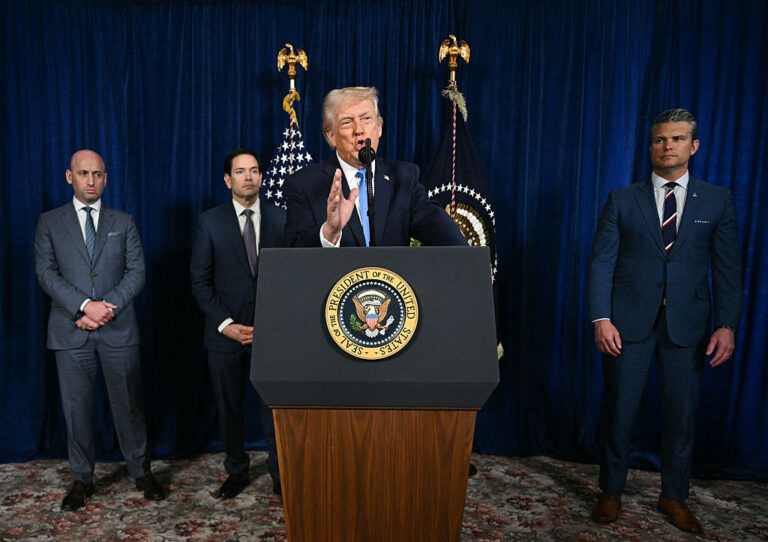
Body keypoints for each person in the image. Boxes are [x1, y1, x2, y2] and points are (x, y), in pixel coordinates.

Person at [588, 109, 742, 534]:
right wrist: (601, 317)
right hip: (626, 324)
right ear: (650, 146)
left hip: (688, 327)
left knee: (681, 414)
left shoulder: (717, 200)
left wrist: (727, 324)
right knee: (619, 410)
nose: (666, 146)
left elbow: (728, 269)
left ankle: (673, 496)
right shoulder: (623, 199)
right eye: (659, 140)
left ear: (693, 146)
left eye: (676, 139)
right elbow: (602, 263)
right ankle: (610, 492)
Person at [34, 149, 165, 511]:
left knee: (130, 406)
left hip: (117, 329)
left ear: (106, 178)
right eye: (84, 173)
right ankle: (82, 479)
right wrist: (82, 306)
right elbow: (46, 273)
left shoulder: (123, 221)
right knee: (76, 410)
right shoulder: (49, 222)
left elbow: (136, 272)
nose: (91, 181)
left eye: (98, 174)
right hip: (69, 330)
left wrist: (104, 309)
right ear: (69, 177)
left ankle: (141, 472)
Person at [190, 148, 285, 499]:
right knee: (228, 408)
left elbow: (292, 278)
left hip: (270, 335)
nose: (249, 177)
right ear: (228, 180)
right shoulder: (210, 222)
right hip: (225, 335)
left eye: (255, 170)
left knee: (273, 410)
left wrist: (272, 324)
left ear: (262, 177)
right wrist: (226, 324)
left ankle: (280, 474)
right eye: (241, 171)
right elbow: (200, 281)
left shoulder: (281, 218)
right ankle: (236, 471)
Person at [284, 86, 467, 248]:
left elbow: (444, 235)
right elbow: (292, 255)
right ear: (331, 136)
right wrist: (329, 232)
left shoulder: (404, 178)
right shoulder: (305, 184)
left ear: (379, 128)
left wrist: (474, 265)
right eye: (347, 122)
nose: (359, 130)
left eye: (366, 118)